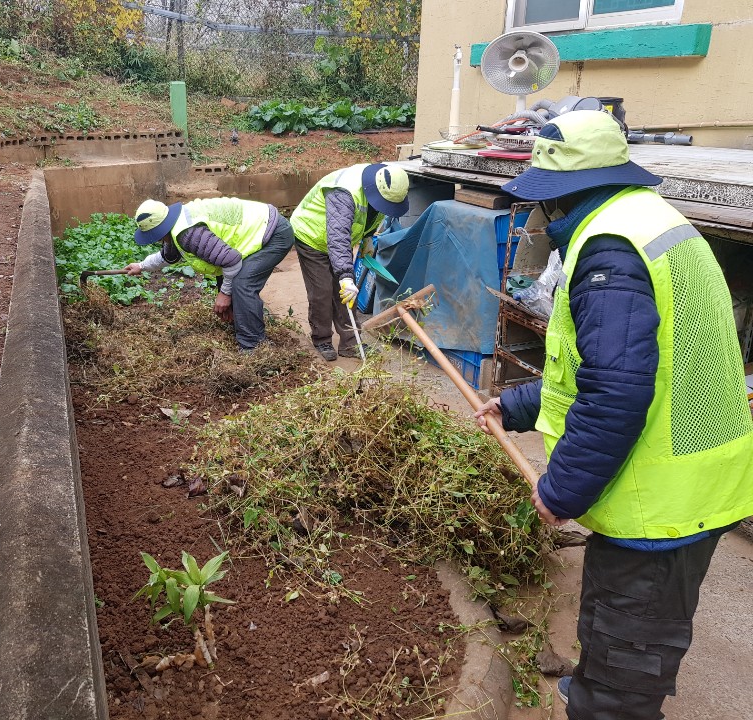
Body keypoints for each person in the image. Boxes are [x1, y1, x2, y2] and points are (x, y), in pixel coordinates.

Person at [474, 110, 753, 720]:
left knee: (628, 662)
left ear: (565, 193)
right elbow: (616, 362)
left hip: (662, 502)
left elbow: (616, 391)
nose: (542, 215)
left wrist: (563, 489)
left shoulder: (610, 252)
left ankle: (606, 701)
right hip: (687, 477)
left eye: (545, 201)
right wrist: (517, 404)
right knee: (611, 620)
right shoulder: (650, 220)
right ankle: (595, 683)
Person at [124, 196, 294, 352]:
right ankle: (242, 324)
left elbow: (232, 262)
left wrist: (225, 294)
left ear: (160, 230)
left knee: (242, 284)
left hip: (273, 233)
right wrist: (141, 266)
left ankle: (254, 347)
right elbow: (167, 256)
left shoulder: (188, 233)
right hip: (257, 229)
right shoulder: (176, 225)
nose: (156, 240)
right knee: (231, 283)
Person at [290, 163, 409, 360]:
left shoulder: (384, 188)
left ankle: (351, 344)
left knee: (347, 293)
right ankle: (322, 339)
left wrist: (368, 237)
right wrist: (345, 275)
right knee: (322, 291)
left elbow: (372, 215)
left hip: (338, 239)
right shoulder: (344, 192)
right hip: (311, 236)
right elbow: (338, 237)